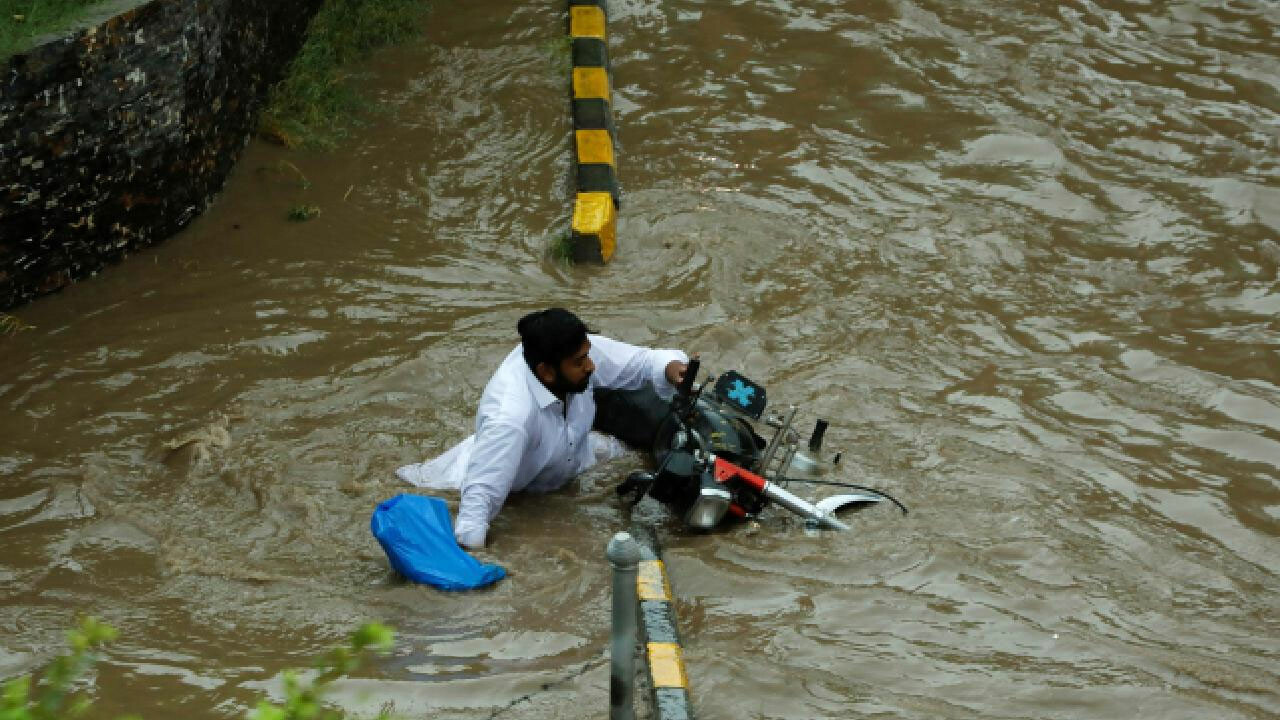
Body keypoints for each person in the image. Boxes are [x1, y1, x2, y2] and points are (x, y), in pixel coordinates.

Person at [396, 308, 689, 548]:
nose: (591, 366)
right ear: (546, 372)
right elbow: (476, 510)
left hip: (573, 458)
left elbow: (641, 362)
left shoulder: (572, 355)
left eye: (588, 355)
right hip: (497, 483)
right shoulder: (510, 418)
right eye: (580, 362)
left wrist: (671, 368)